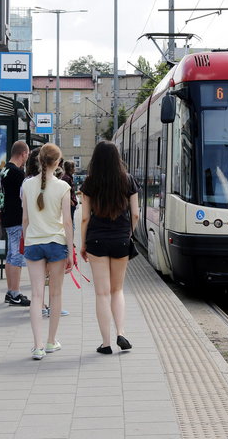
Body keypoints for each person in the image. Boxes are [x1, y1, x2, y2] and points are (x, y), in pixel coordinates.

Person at [80, 141, 140, 355]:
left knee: (102, 293)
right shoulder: (128, 180)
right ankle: (121, 332)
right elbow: (135, 214)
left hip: (96, 240)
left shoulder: (89, 182)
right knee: (117, 290)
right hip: (121, 240)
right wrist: (128, 233)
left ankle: (106, 344)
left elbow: (85, 217)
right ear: (117, 158)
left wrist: (83, 244)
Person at [21, 143, 74, 360]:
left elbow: (24, 219)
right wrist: (70, 250)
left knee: (36, 295)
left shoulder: (27, 185)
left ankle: (37, 346)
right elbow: (68, 223)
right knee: (56, 294)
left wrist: (27, 240)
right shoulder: (63, 187)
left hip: (34, 242)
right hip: (56, 244)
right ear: (58, 162)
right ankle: (52, 341)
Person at [1, 140, 31, 307]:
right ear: (23, 154)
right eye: (27, 154)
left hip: (7, 217)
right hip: (16, 218)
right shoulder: (17, 174)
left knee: (10, 255)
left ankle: (10, 291)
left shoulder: (5, 170)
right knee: (16, 256)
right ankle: (15, 293)